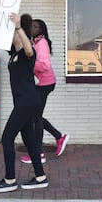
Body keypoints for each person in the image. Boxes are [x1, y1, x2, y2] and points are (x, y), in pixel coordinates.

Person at [0, 12, 48, 193]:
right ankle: (40, 177)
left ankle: (9, 180)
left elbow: (29, 49)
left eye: (12, 33)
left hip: (27, 101)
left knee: (7, 138)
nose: (10, 35)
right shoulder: (14, 54)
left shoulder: (27, 53)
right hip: (23, 102)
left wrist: (18, 27)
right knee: (29, 140)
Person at [20, 17, 69, 165]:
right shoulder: (35, 43)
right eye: (31, 27)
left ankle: (39, 154)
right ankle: (59, 137)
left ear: (41, 30)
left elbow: (44, 65)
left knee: (35, 118)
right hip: (43, 83)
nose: (32, 29)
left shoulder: (42, 43)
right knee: (36, 116)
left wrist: (29, 65)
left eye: (35, 27)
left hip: (45, 84)